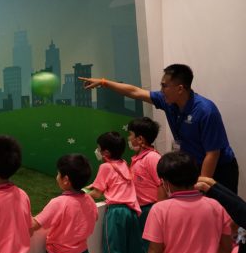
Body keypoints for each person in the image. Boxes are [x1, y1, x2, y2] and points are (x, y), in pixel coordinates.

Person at [79, 63, 239, 193]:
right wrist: (104, 83)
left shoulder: (206, 111)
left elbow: (213, 154)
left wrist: (203, 186)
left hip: (219, 169)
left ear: (180, 89)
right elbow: (135, 92)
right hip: (193, 167)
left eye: (164, 86)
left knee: (223, 216)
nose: (161, 91)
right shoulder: (168, 102)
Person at [86, 131, 145, 253]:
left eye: (99, 148)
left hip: (117, 213)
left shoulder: (105, 166)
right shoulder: (124, 164)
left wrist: (78, 194)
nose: (97, 151)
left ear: (105, 152)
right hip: (132, 212)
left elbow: (96, 193)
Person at [127, 117, 162, 253]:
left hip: (151, 209)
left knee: (153, 248)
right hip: (141, 210)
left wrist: (159, 211)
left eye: (130, 135)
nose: (129, 139)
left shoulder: (152, 158)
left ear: (140, 139)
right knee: (146, 248)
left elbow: (162, 185)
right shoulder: (138, 158)